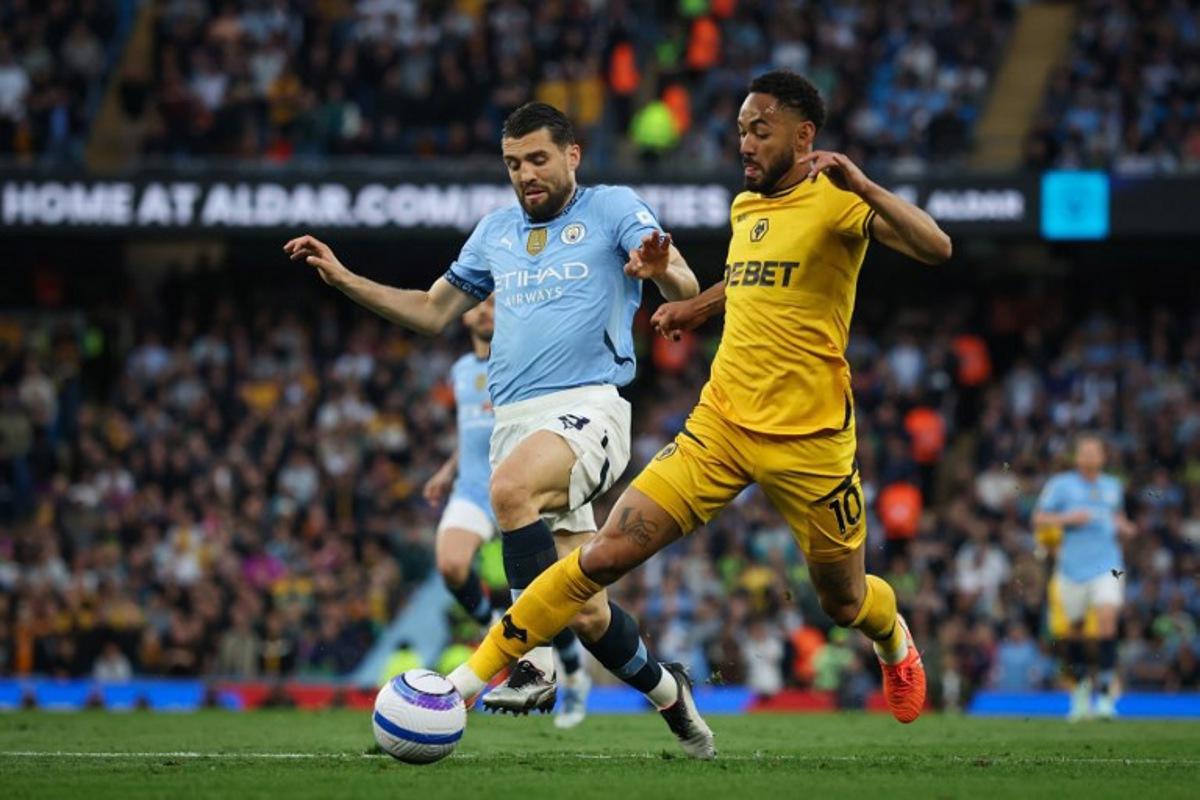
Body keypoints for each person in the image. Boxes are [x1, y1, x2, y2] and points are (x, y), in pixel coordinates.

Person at [446, 70, 952, 745]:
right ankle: (464, 687)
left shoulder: (837, 201)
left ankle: (892, 638)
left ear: (804, 136)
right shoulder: (749, 208)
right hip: (720, 424)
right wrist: (694, 304)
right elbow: (754, 283)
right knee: (601, 557)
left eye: (759, 129)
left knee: (843, 601)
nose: (744, 142)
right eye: (741, 128)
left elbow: (935, 247)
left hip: (809, 438)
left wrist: (862, 184)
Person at [285, 101, 710, 755]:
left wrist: (664, 275)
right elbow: (431, 311)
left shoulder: (613, 207)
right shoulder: (494, 233)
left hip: (591, 408)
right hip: (517, 421)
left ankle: (530, 661)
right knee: (588, 609)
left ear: (571, 155)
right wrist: (343, 277)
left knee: (509, 489)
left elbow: (682, 278)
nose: (525, 174)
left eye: (537, 159)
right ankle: (668, 694)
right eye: (513, 164)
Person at [422, 295, 591, 729]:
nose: (484, 311)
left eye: (495, 304)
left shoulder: (521, 359)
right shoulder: (460, 371)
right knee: (452, 564)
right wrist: (447, 470)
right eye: (477, 304)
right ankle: (497, 625)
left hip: (523, 486)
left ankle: (572, 675)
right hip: (474, 487)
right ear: (462, 315)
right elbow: (470, 432)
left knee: (555, 595)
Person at [1032, 433, 1136, 720]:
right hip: (1071, 570)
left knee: (1106, 622)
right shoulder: (1061, 485)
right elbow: (1038, 518)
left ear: (1103, 457)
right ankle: (1080, 695)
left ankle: (1104, 697)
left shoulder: (1113, 487)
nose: (1090, 457)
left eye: (1095, 452)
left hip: (1108, 567)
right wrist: (1067, 519)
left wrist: (1125, 528)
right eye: (1085, 452)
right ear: (1077, 457)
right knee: (1073, 633)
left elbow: (1118, 519)